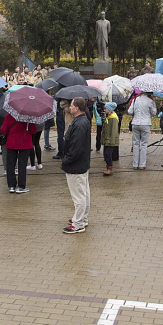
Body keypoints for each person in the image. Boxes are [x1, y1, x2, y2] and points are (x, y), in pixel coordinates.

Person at [62, 98, 91, 234]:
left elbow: (76, 147)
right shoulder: (81, 120)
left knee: (79, 196)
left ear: (77, 108)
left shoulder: (80, 124)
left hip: (76, 165)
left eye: (72, 105)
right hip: (81, 164)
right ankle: (82, 218)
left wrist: (66, 160)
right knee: (83, 193)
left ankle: (78, 223)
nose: (70, 107)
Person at [0, 113, 36, 194]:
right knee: (22, 165)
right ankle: (21, 186)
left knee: (10, 165)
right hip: (25, 142)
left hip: (11, 143)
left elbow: (3, 130)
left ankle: (11, 186)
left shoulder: (9, 116)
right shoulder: (28, 117)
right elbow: (33, 131)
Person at [128, 91, 156, 169]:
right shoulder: (150, 101)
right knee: (144, 144)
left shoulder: (135, 100)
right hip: (145, 124)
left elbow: (130, 111)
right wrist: (154, 103)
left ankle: (135, 164)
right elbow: (154, 113)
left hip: (135, 123)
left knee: (136, 144)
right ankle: (142, 164)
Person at [101, 102, 120, 175]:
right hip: (107, 140)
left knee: (108, 154)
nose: (104, 110)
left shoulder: (113, 118)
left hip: (110, 140)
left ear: (109, 109)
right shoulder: (107, 117)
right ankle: (108, 167)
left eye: (105, 108)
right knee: (105, 154)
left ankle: (110, 168)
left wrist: (112, 142)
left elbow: (114, 131)